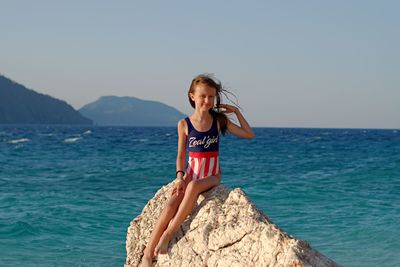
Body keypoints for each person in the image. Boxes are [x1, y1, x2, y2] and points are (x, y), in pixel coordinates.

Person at [140, 74, 254, 267]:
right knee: (170, 204)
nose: (207, 101)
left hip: (211, 176)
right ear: (192, 96)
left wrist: (235, 111)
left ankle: (169, 233)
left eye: (211, 96)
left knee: (193, 187)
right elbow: (181, 156)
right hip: (191, 173)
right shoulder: (184, 124)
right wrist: (178, 178)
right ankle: (147, 256)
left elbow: (249, 134)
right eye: (203, 96)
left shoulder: (218, 121)